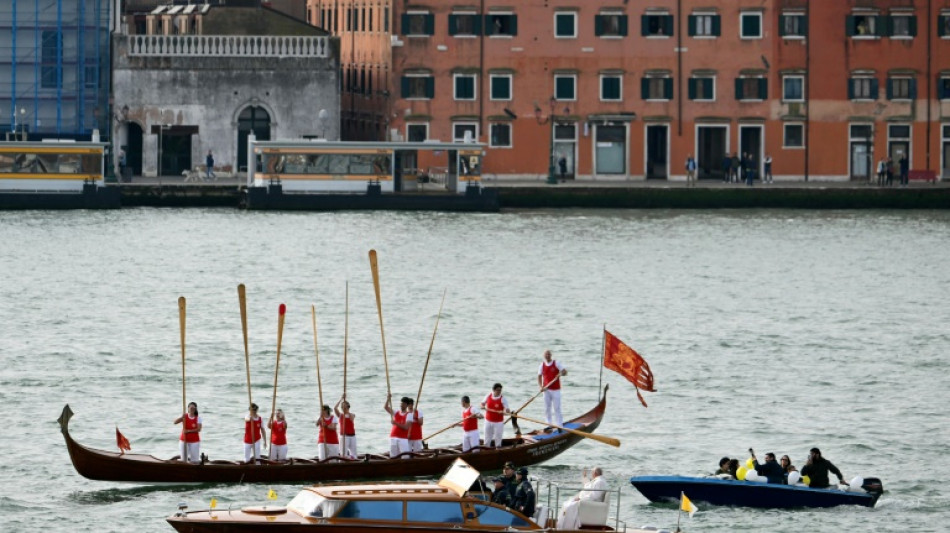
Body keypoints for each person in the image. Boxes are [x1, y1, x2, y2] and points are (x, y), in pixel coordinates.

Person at [538, 350, 567, 430]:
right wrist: (541, 387)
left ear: (551, 355)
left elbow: (565, 372)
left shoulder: (556, 363)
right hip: (546, 390)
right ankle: (549, 425)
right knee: (547, 407)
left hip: (556, 390)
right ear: (544, 356)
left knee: (557, 407)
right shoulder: (542, 365)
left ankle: (559, 425)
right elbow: (539, 376)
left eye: (548, 354)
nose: (547, 356)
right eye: (546, 354)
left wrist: (561, 374)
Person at [481, 383, 510, 448]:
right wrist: (482, 406)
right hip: (488, 421)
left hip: (498, 422)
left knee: (498, 437)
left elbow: (507, 411)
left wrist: (503, 412)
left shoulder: (503, 399)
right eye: (498, 390)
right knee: (487, 437)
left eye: (500, 390)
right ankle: (486, 449)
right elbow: (482, 403)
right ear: (493, 390)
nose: (499, 392)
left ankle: (498, 448)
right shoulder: (488, 395)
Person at [384, 394, 412, 459]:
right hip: (393, 437)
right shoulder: (396, 412)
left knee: (405, 456)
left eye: (404, 404)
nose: (402, 405)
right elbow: (386, 407)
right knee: (393, 456)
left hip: (403, 438)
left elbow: (406, 427)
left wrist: (395, 423)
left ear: (407, 405)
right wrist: (388, 399)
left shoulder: (409, 415)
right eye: (401, 403)